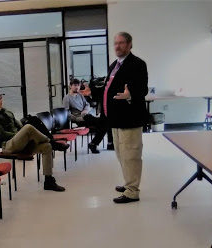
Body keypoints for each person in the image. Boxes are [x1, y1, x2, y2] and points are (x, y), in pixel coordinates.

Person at [0, 89, 67, 192]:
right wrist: (20, 135)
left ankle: (48, 181)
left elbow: (20, 125)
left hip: (20, 143)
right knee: (28, 127)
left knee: (46, 146)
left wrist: (23, 134)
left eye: (1, 98)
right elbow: (1, 135)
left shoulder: (8, 112)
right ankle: (53, 142)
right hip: (8, 145)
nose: (0, 100)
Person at [104, 32, 149, 204]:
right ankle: (128, 182)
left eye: (121, 43)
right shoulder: (114, 65)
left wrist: (130, 95)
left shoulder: (137, 64)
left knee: (131, 154)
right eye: (115, 43)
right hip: (115, 119)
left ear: (130, 44)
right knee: (121, 154)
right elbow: (109, 88)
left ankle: (132, 191)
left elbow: (142, 89)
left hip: (130, 118)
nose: (117, 46)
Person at [63, 78, 109, 154]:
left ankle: (93, 144)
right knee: (104, 124)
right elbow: (66, 113)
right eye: (75, 85)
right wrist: (77, 118)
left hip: (87, 115)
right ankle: (93, 144)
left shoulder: (80, 95)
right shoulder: (67, 98)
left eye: (78, 85)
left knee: (104, 125)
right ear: (70, 86)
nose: (77, 87)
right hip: (79, 119)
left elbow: (87, 104)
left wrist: (85, 110)